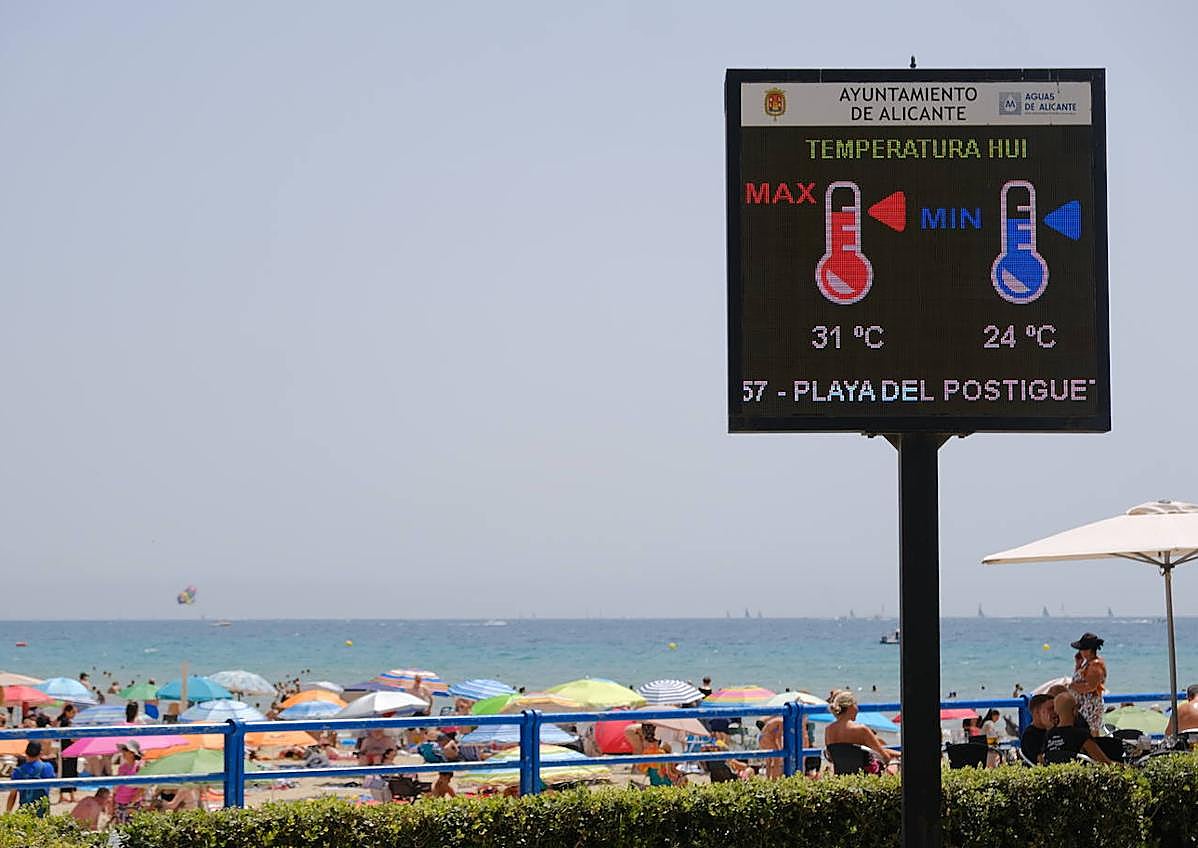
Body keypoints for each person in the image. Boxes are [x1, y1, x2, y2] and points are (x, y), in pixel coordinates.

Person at [824, 690, 898, 773]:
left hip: (841, 775)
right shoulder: (861, 729)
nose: (857, 709)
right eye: (856, 705)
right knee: (894, 763)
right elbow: (883, 755)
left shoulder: (828, 730)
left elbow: (831, 757)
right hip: (865, 775)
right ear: (851, 706)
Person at [1043, 692, 1112, 764]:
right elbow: (1104, 762)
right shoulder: (1081, 735)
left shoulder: (1049, 735)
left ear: (1056, 711)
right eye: (1078, 707)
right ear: (1075, 710)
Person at [1069, 632, 1108, 735]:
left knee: (1089, 733)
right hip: (1083, 704)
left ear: (1089, 650)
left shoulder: (1095, 665)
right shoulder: (1087, 663)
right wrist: (1078, 665)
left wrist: (1072, 686)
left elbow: (1091, 686)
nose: (1080, 652)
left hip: (1090, 704)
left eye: (1082, 649)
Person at [5, 741, 56, 816]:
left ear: (26, 753)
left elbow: (12, 795)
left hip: (25, 812)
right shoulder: (48, 767)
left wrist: (8, 812)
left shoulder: (18, 771)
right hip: (43, 813)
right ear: (40, 753)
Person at [111, 740, 144, 824]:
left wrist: (132, 803)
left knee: (131, 828)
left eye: (126, 750)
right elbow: (117, 786)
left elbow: (142, 787)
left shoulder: (139, 767)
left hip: (132, 804)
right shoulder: (122, 767)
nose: (123, 752)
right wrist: (113, 803)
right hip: (119, 802)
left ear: (133, 753)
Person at [1020, 694, 1057, 763]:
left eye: (1055, 708)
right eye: (1050, 709)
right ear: (1036, 712)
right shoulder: (1029, 735)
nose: (1055, 712)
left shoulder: (1057, 729)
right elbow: (1041, 761)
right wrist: (1050, 729)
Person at [56, 703, 78, 802]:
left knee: (64, 772)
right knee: (70, 772)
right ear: (67, 712)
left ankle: (63, 796)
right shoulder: (67, 722)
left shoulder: (63, 721)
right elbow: (71, 738)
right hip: (69, 750)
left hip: (66, 750)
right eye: (73, 712)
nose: (74, 714)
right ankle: (71, 796)